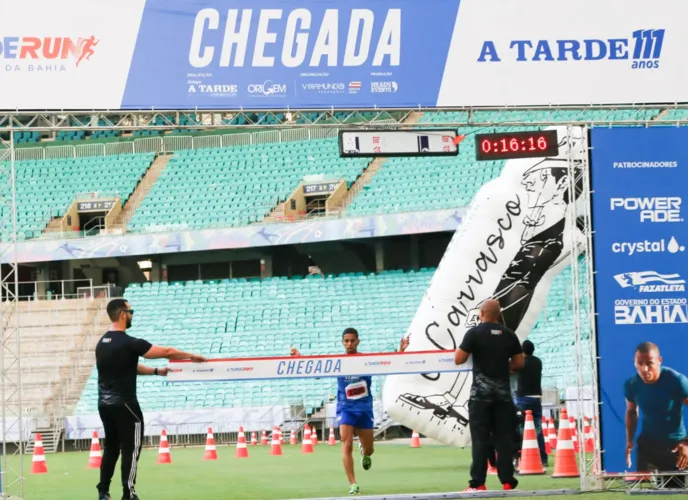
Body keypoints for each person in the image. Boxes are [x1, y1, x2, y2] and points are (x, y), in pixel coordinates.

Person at [96, 298, 207, 500]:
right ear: (122, 314)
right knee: (130, 449)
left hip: (104, 404)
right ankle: (128, 494)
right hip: (126, 405)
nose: (132, 315)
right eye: (131, 312)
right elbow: (167, 351)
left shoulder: (102, 343)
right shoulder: (130, 342)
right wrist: (192, 356)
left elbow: (130, 367)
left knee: (111, 447)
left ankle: (103, 493)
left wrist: (156, 371)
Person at [291, 328, 408, 496]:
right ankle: (353, 483)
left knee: (369, 450)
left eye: (352, 340)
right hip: (345, 409)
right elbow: (317, 371)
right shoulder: (339, 361)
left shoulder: (366, 361)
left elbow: (389, 364)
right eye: (346, 341)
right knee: (346, 444)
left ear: (358, 341)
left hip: (364, 410)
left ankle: (364, 452)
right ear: (342, 342)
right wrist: (300, 359)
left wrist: (401, 351)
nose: (349, 344)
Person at [454, 299, 524, 492]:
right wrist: (503, 368)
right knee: (504, 439)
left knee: (480, 440)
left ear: (481, 313)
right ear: (499, 314)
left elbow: (459, 359)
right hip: (503, 397)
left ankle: (478, 483)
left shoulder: (474, 333)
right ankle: (508, 481)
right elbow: (519, 363)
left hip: (480, 397)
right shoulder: (509, 335)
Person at [625, 342, 688, 484]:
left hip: (675, 445)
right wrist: (629, 440)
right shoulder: (631, 384)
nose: (644, 369)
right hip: (647, 445)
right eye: (639, 363)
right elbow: (631, 411)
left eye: (649, 363)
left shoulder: (677, 381)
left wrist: (686, 443)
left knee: (674, 490)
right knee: (645, 490)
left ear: (659, 361)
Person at [514, 340, 548, 467]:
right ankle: (543, 458)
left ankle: (521, 456)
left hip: (522, 397)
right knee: (538, 429)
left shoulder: (521, 362)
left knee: (519, 428)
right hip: (536, 397)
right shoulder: (538, 361)